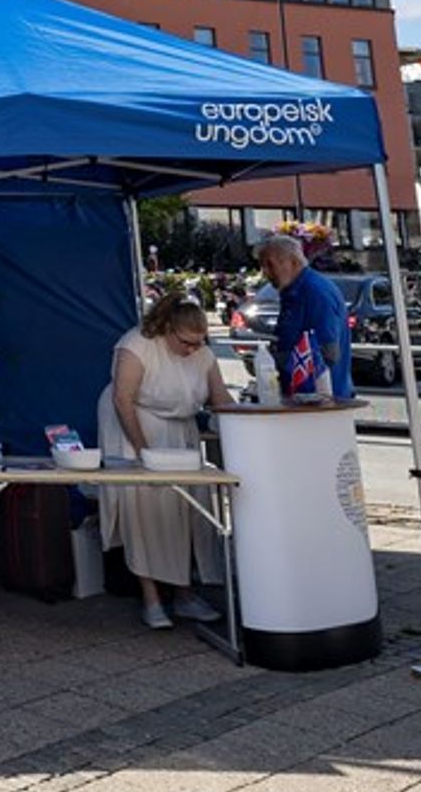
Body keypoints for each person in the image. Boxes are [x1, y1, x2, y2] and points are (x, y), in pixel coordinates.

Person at [96, 295, 232, 630]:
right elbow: (122, 399)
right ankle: (151, 598)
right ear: (169, 330)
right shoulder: (136, 344)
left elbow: (221, 398)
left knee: (185, 510)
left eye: (198, 343)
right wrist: (143, 452)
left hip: (179, 432)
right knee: (144, 511)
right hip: (133, 426)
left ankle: (185, 594)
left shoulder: (201, 353)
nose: (191, 350)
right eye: (186, 343)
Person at [255, 235, 353, 400]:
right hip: (309, 397)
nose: (265, 272)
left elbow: (326, 352)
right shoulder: (296, 291)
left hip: (321, 399)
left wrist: (278, 359)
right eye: (262, 266)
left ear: (293, 262)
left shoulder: (314, 292)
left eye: (270, 265)